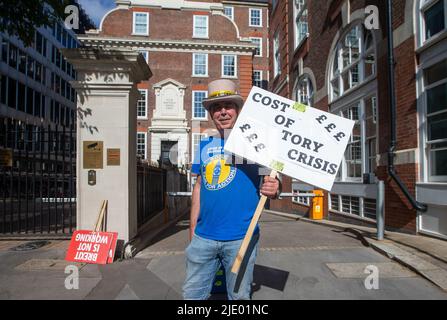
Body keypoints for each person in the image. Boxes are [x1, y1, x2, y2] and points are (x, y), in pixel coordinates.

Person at [183, 79, 280, 300]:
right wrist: (192, 232)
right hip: (203, 239)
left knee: (239, 298)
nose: (223, 112)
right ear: (211, 114)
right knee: (192, 296)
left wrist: (275, 187)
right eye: (217, 107)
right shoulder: (204, 144)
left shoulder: (256, 143)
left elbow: (273, 180)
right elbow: (199, 187)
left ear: (237, 110)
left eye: (228, 106)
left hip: (241, 239)